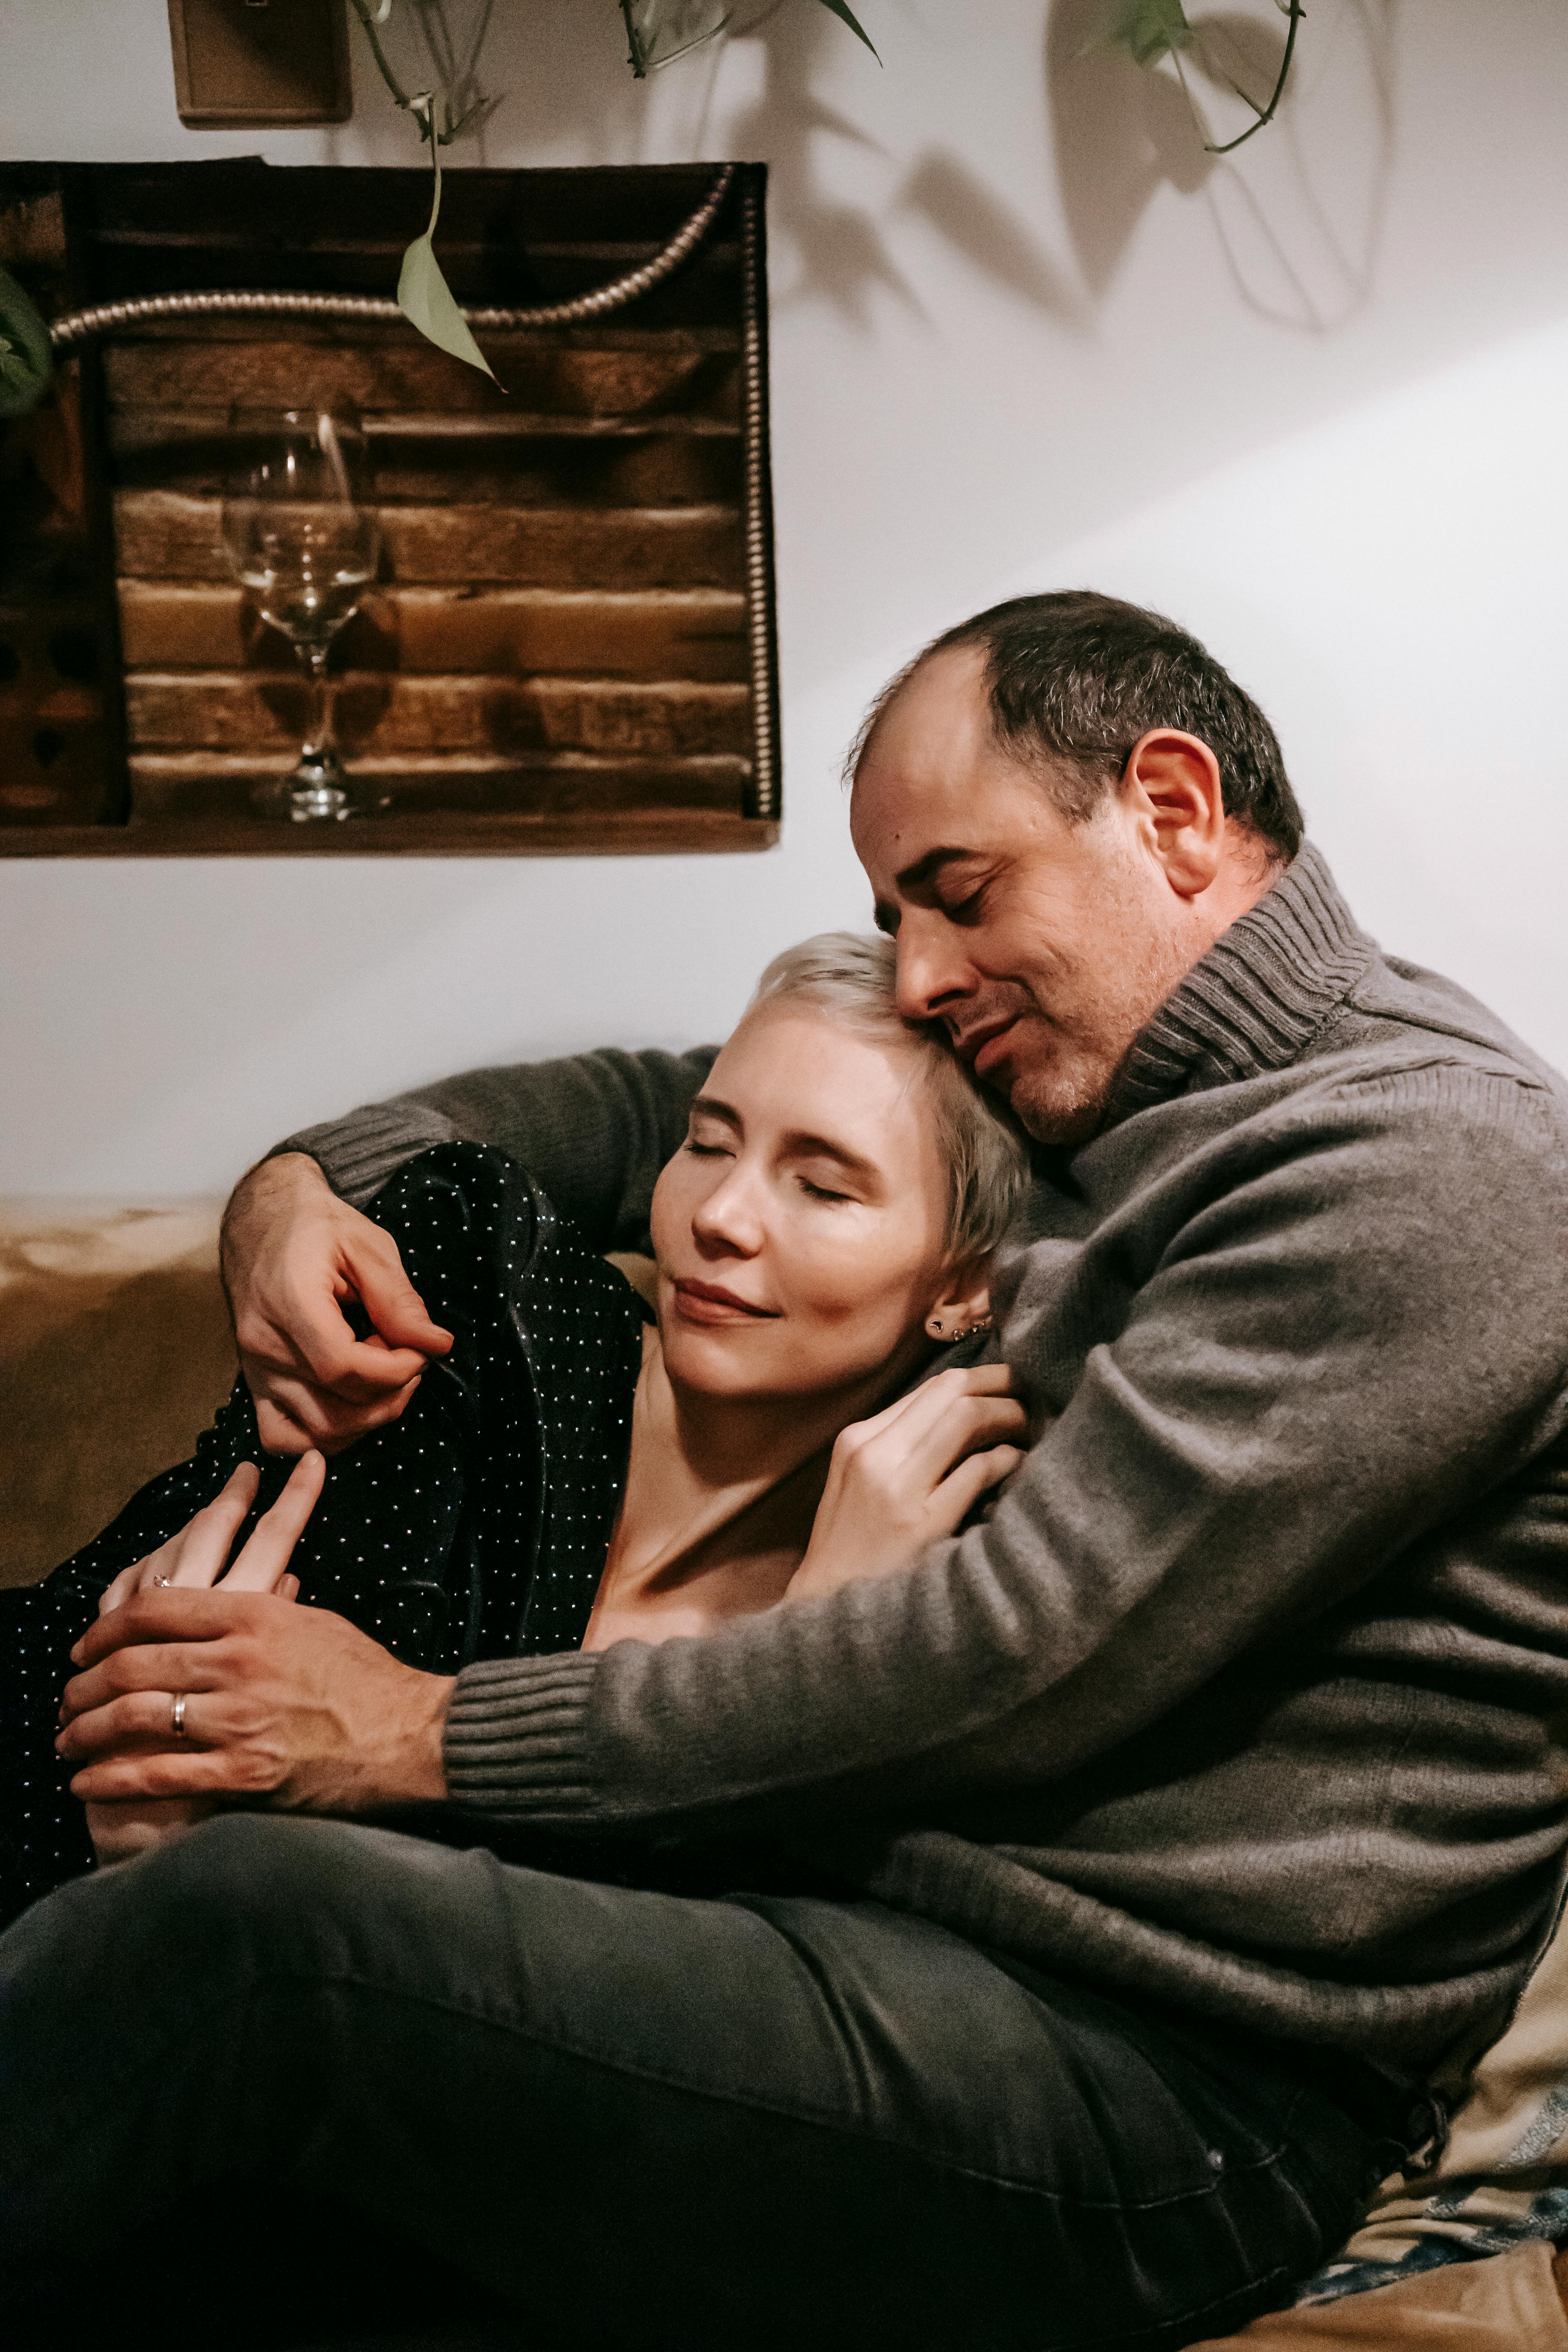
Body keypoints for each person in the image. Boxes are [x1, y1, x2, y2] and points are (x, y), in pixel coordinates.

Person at [4, 589, 1567, 2352]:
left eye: (958, 895)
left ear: (1173, 810)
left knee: (263, 1945)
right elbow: (616, 1111)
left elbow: (1016, 1653)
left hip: (1150, 2090)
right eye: (892, 915)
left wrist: (402, 1732)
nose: (916, 973)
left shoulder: (1432, 1166)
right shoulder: (1071, 1086)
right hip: (869, 1950)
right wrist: (297, 1187)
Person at [0, 931, 1025, 1913]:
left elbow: (652, 2006)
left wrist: (824, 1641)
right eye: (708, 1144)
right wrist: (123, 1844)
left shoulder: (913, 1580)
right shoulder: (470, 1315)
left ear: (967, 1282)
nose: (720, 1217)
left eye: (821, 1186)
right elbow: (85, 1680)